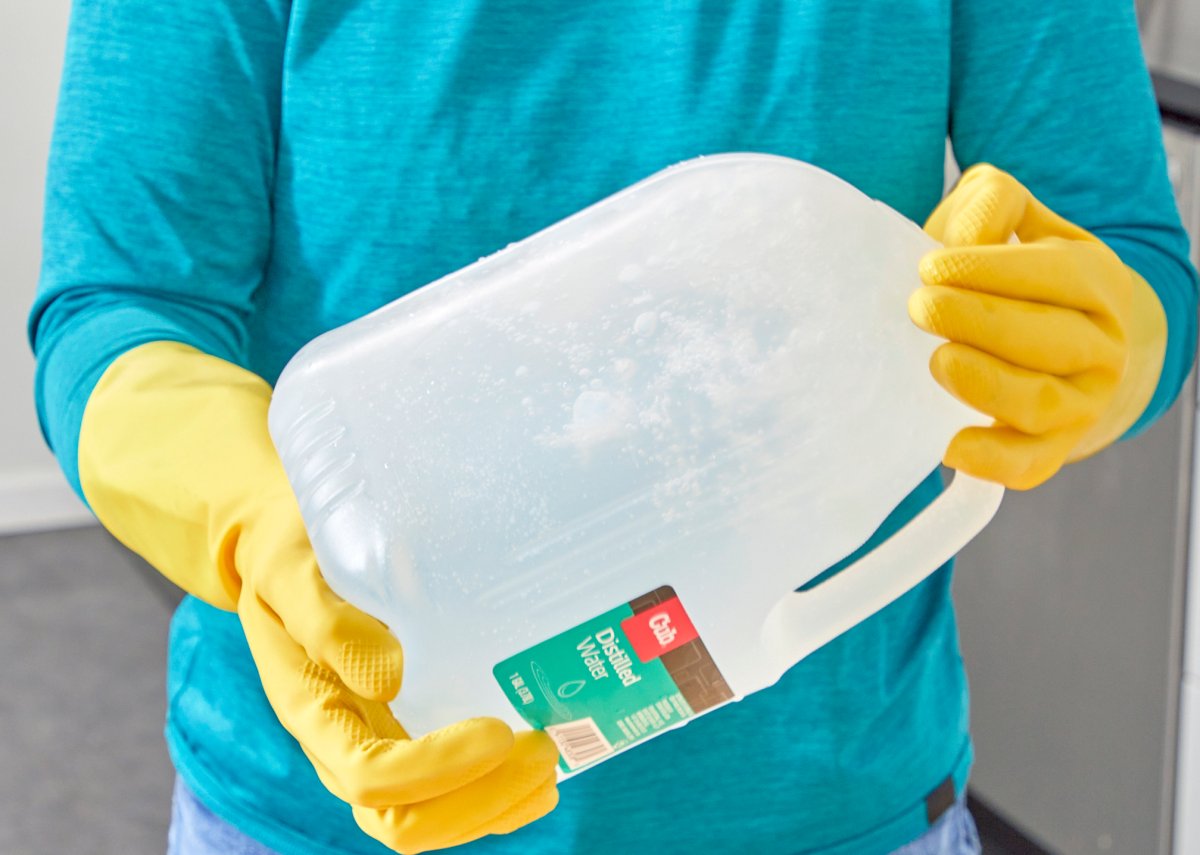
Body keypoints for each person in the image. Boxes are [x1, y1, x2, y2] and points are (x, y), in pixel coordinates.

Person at [29, 1, 1198, 853]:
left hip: (826, 802)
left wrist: (1117, 337)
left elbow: (1124, 246)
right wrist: (253, 521)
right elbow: (121, 307)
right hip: (330, 809)